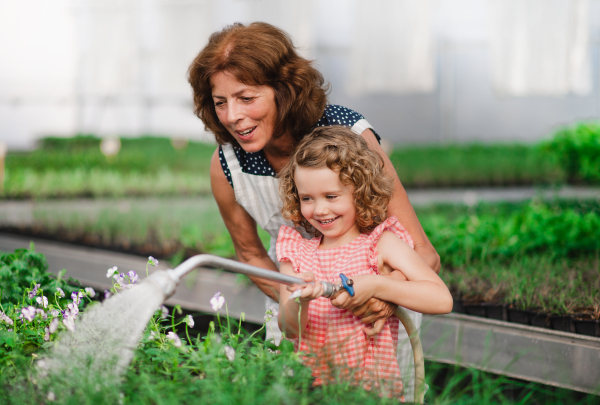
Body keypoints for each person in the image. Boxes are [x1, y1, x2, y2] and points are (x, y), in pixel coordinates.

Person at [187, 21, 441, 399]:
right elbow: (251, 253)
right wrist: (302, 303)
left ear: (283, 91)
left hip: (375, 322)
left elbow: (423, 252)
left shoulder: (346, 138)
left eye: (246, 97)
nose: (232, 116)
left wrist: (382, 297)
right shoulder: (227, 164)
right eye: (220, 102)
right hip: (302, 316)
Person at [276, 126, 453, 400]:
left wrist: (376, 284)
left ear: (359, 192)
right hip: (310, 392)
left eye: (331, 196)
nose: (319, 209)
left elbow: (442, 300)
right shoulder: (296, 253)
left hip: (370, 393)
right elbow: (289, 329)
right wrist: (301, 299)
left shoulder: (381, 243)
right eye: (306, 198)